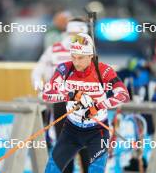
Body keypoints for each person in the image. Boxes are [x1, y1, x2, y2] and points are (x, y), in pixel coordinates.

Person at [42, 33, 130, 172]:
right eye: (73, 57)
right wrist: (72, 95)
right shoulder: (65, 69)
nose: (76, 62)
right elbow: (46, 94)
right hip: (71, 130)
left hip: (98, 131)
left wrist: (99, 105)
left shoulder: (104, 71)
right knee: (51, 169)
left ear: (91, 56)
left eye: (81, 58)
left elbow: (124, 95)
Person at [32, 17, 90, 173]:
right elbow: (37, 74)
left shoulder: (55, 49)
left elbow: (36, 74)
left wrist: (42, 92)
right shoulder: (80, 49)